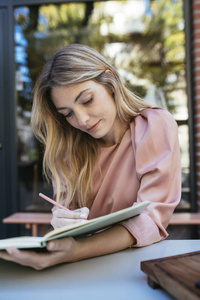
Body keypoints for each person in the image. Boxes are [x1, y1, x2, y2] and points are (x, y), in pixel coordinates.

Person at [0, 44, 181, 270]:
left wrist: (75, 251)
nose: (82, 120)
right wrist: (61, 220)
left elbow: (152, 219)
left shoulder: (153, 126)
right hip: (83, 268)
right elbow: (64, 207)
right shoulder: (68, 148)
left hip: (140, 267)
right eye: (67, 114)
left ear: (110, 81)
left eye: (87, 100)